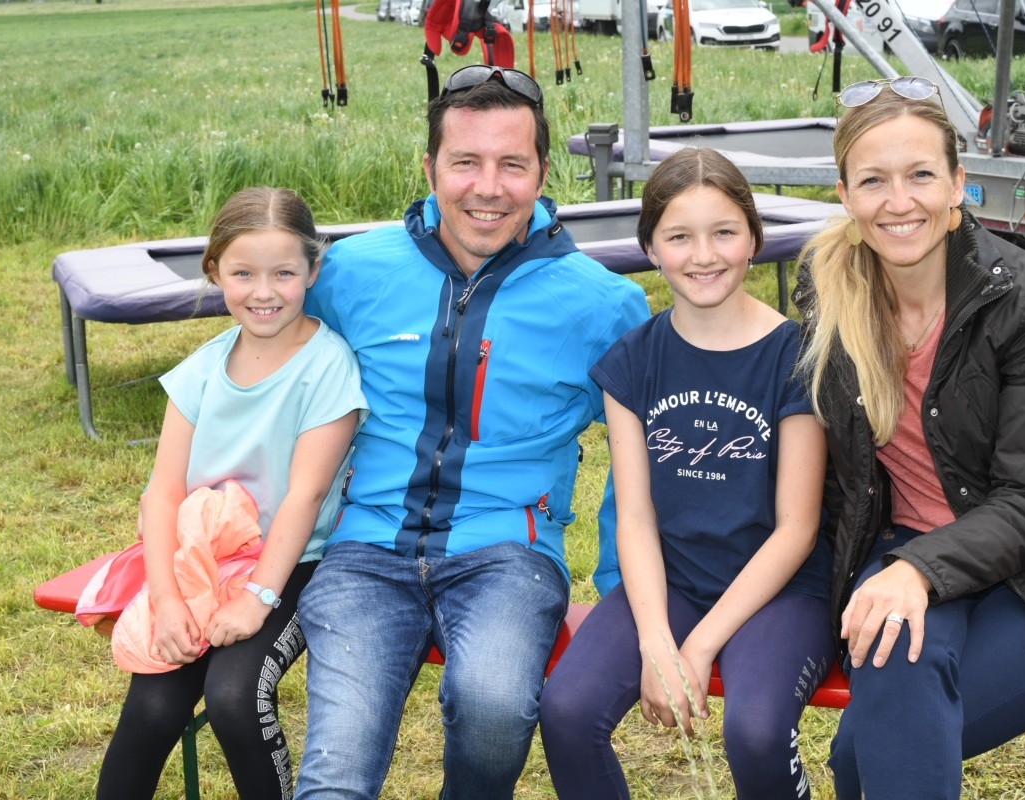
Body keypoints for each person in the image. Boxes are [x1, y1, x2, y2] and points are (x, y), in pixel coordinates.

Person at [292, 65, 650, 799]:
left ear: (543, 173)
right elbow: (277, 385)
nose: (488, 188)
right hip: (365, 552)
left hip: (508, 556)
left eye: (512, 164)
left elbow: (640, 455)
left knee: (492, 707)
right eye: (465, 162)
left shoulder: (603, 305)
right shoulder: (350, 273)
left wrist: (620, 592)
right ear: (429, 168)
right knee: (336, 768)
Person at [792, 77, 1025, 799]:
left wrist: (916, 571)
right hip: (905, 549)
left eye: (921, 175)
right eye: (873, 181)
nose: (899, 202)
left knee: (865, 760)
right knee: (881, 725)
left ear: (959, 185)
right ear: (845, 195)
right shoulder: (827, 287)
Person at [539, 147, 835, 799]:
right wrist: (656, 641)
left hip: (782, 592)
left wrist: (697, 647)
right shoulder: (633, 360)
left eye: (724, 232)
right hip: (673, 582)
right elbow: (636, 516)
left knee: (755, 732)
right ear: (650, 247)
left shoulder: (797, 357)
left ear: (754, 238)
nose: (703, 255)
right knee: (566, 710)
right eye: (679, 237)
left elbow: (797, 529)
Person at [96, 187, 367, 800]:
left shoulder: (327, 367)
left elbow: (304, 497)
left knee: (234, 696)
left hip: (294, 564)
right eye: (243, 273)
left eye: (283, 273)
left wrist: (257, 599)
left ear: (313, 270)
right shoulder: (200, 371)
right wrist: (166, 599)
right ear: (215, 271)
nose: (264, 291)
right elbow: (162, 494)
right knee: (152, 708)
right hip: (203, 563)